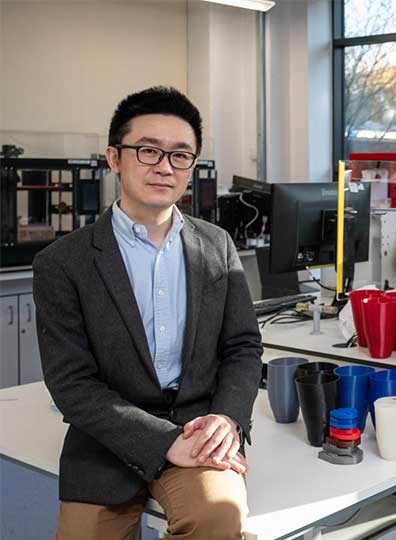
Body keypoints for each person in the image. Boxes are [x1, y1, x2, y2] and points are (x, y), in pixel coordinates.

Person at [33, 86, 263, 540]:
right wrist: (163, 442)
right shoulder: (64, 262)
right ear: (114, 158)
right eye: (148, 150)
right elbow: (70, 384)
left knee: (219, 516)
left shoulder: (216, 245)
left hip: (197, 426)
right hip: (104, 435)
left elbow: (242, 346)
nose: (164, 166)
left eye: (181, 155)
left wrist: (227, 418)